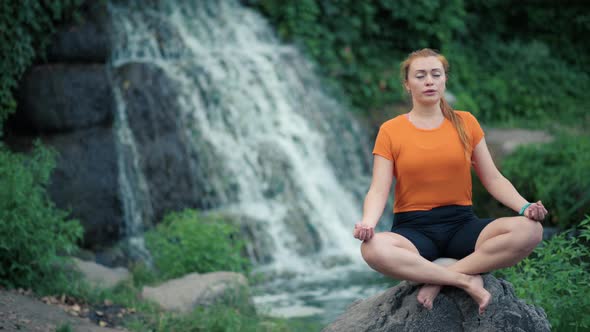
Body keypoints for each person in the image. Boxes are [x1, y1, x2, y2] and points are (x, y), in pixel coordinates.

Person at [353, 48, 547, 315]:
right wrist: (368, 223)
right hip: (413, 231)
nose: (429, 81)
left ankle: (437, 277)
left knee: (532, 230)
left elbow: (493, 178)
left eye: (436, 74)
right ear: (407, 85)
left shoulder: (465, 123)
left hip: (462, 225)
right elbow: (378, 188)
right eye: (420, 76)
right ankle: (462, 278)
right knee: (372, 249)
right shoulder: (390, 130)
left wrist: (526, 208)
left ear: (445, 80)